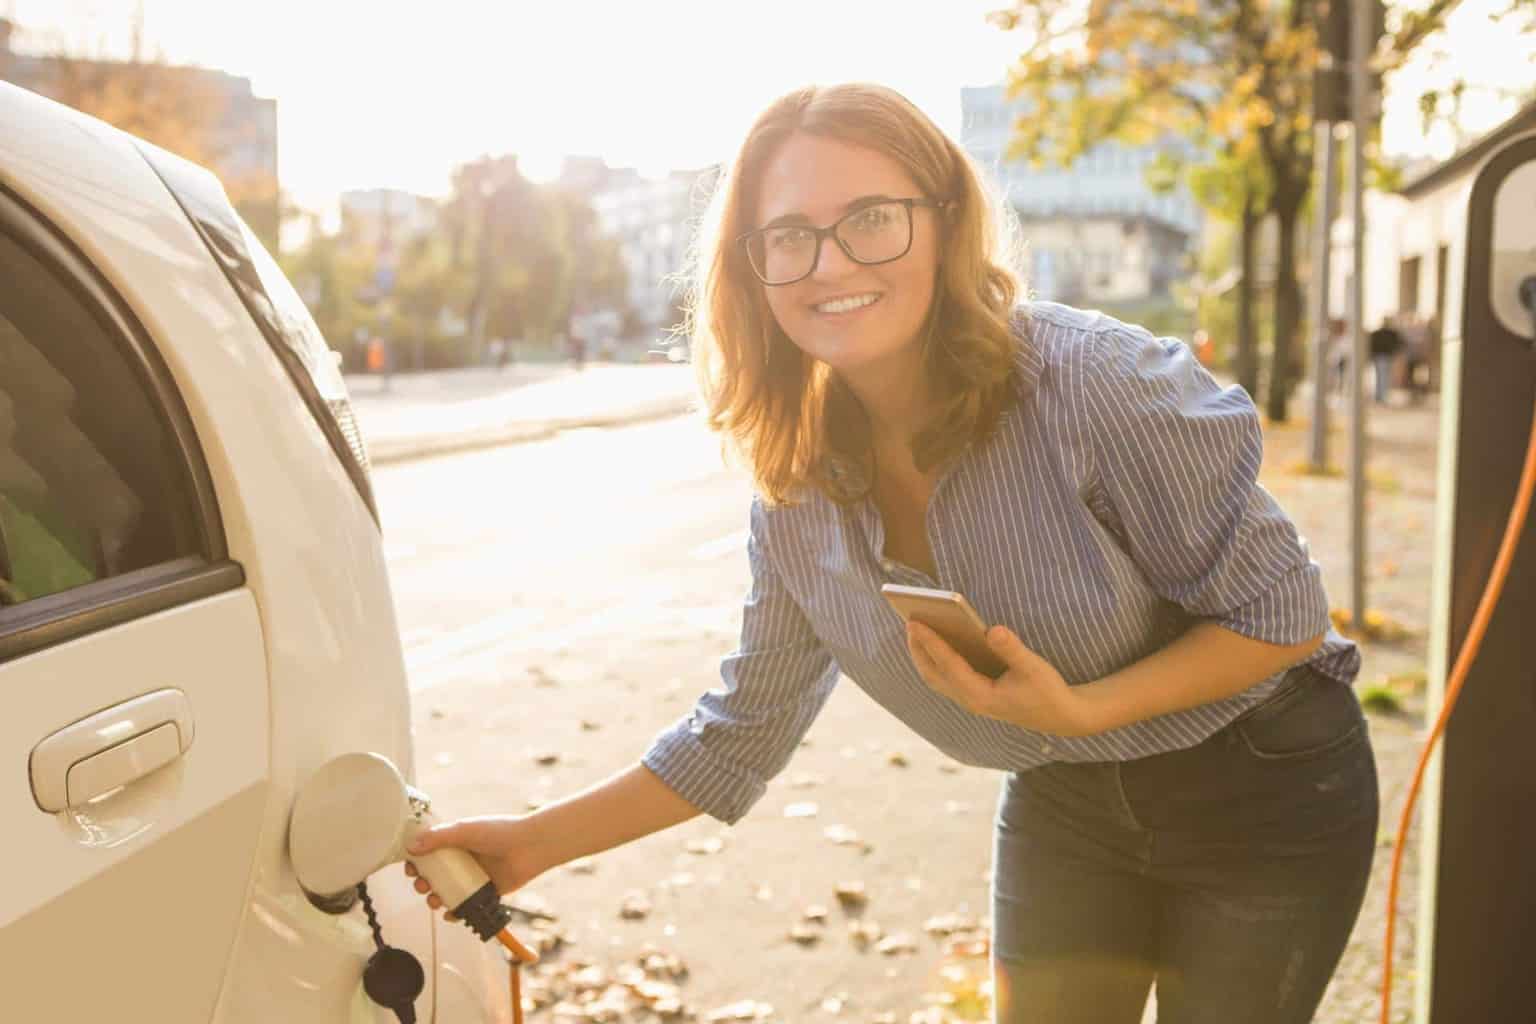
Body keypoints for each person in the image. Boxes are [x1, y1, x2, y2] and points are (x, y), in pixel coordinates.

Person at [405, 83, 1376, 1024]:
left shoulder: (1096, 385)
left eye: (871, 217)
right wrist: (530, 845)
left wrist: (1084, 708)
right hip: (1068, 800)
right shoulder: (794, 486)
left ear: (946, 223)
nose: (829, 263)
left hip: (1263, 783)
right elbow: (739, 732)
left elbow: (1281, 619)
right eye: (789, 235)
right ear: (751, 267)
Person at [1368, 317, 1404, 404]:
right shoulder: (1389, 333)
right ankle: (1381, 396)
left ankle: (1380, 396)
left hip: (1382, 356)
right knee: (1383, 377)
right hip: (1383, 356)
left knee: (1381, 377)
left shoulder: (1383, 333)